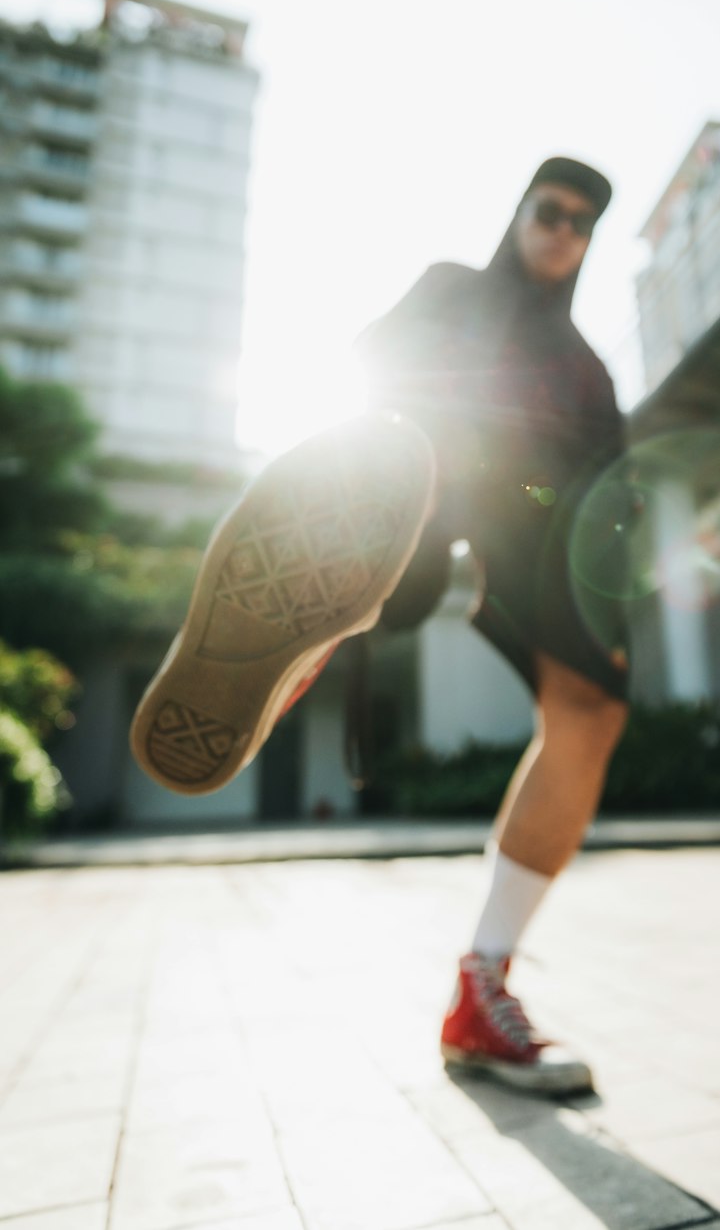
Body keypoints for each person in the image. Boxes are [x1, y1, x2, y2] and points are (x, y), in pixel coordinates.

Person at [131, 157, 629, 1097]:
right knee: (398, 494)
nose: (562, 230)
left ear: (588, 245)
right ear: (521, 215)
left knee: (594, 712)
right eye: (549, 210)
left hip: (529, 520)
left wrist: (544, 500)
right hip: (413, 482)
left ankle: (481, 991)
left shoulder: (587, 371)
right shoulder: (453, 288)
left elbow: (609, 486)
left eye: (582, 223)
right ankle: (310, 625)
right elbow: (370, 361)